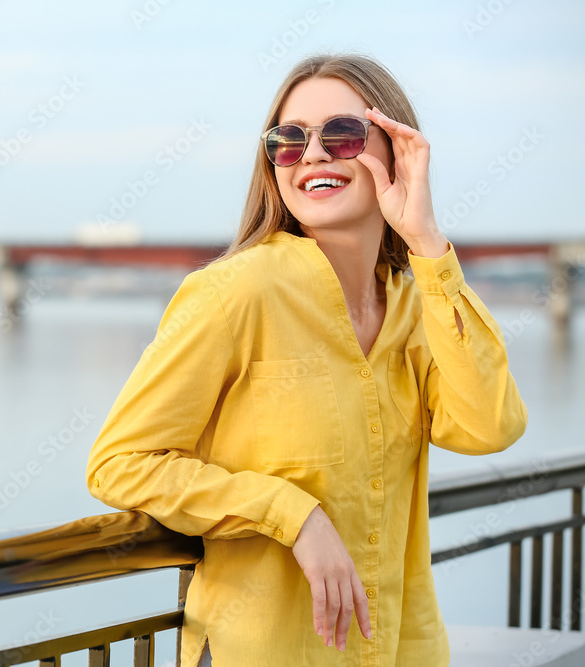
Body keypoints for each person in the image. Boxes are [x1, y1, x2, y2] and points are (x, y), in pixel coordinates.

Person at [84, 51, 528, 667]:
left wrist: (427, 242)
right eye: (287, 142)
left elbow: (490, 426)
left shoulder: (416, 304)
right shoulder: (236, 293)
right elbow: (118, 464)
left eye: (342, 135)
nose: (313, 154)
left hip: (401, 651)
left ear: (397, 151)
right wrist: (292, 514)